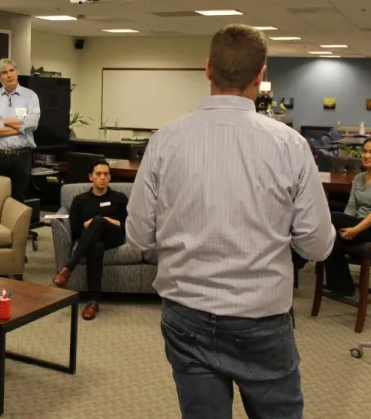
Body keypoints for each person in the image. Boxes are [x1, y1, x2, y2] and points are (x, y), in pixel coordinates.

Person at [125, 24, 335, 419]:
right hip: (262, 316)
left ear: (207, 69)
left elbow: (137, 236)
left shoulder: (165, 141)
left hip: (185, 312)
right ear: (261, 75)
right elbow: (317, 245)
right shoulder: (289, 145)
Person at [51, 159, 128, 321]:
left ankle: (67, 268)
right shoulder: (80, 200)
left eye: (106, 174)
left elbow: (126, 223)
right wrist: (91, 224)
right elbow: (75, 229)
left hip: (114, 237)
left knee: (98, 220)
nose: (102, 177)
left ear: (110, 177)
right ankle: (93, 301)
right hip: (93, 240)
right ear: (90, 177)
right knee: (96, 247)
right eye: (98, 174)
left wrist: (102, 221)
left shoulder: (119, 198)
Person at [323, 138, 371, 296]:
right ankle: (343, 286)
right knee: (330, 237)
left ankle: (302, 258)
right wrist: (343, 228)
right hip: (357, 224)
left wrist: (355, 229)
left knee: (331, 217)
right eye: (365, 151)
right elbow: (351, 207)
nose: (367, 155)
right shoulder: (359, 177)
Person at [0, 58, 41, 202]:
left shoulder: (30, 96)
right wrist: (22, 128)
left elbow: (32, 123)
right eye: (4, 72)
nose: (9, 75)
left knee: (18, 199)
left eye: (11, 70)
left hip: (21, 157)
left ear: (16, 72)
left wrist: (3, 121)